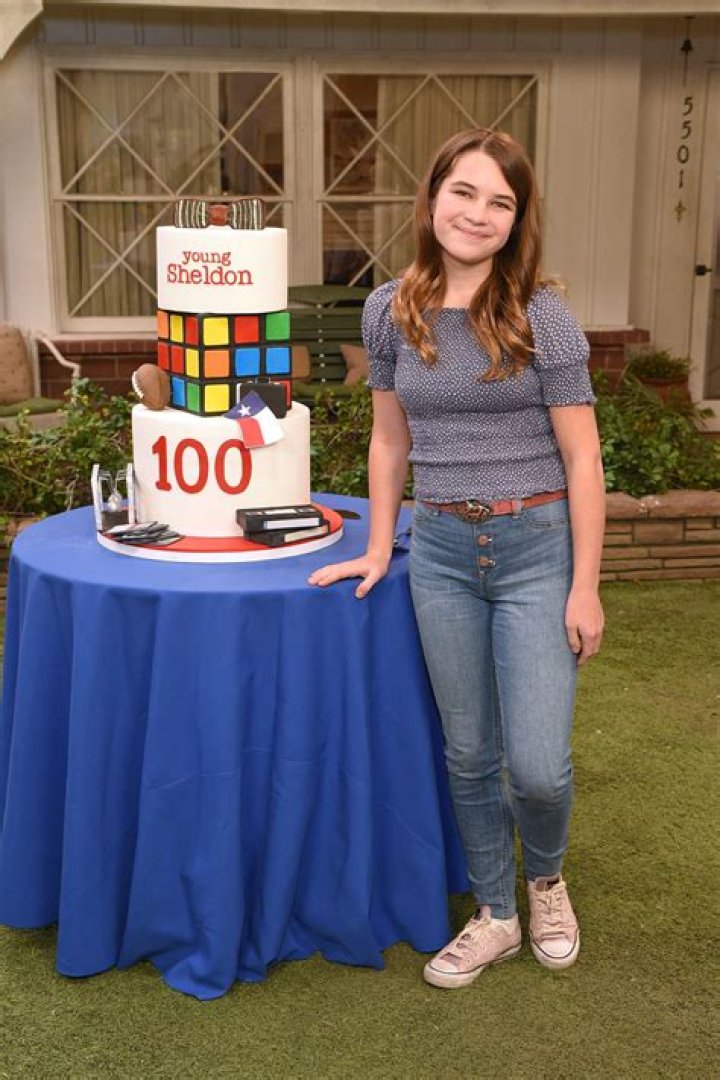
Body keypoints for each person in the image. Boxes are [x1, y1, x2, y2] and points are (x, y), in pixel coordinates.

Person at [308, 127, 605, 989]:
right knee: (469, 754)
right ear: (432, 197)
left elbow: (583, 456)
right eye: (463, 192)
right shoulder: (388, 309)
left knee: (538, 767)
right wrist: (378, 547)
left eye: (500, 202)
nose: (478, 214)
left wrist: (585, 587)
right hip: (439, 551)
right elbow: (389, 441)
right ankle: (497, 912)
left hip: (537, 548)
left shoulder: (540, 314)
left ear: (518, 220)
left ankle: (545, 881)